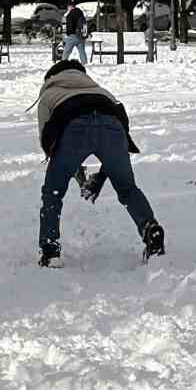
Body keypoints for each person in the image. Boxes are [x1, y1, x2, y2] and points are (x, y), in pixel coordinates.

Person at [35, 59, 165, 268]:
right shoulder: (101, 91)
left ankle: (50, 251)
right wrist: (103, 176)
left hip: (73, 130)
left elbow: (47, 140)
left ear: (51, 77)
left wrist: (72, 172)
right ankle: (150, 228)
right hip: (113, 129)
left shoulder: (49, 94)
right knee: (127, 188)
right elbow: (122, 126)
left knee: (53, 192)